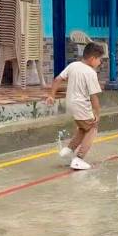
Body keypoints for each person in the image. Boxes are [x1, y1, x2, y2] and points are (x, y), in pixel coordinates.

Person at [45, 42, 105, 170]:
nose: (100, 63)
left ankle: (68, 149)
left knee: (83, 128)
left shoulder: (73, 65)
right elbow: (94, 96)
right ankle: (79, 158)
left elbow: (57, 79)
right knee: (92, 128)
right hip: (81, 105)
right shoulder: (90, 73)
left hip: (70, 104)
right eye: (99, 59)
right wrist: (97, 113)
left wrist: (52, 95)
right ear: (92, 58)